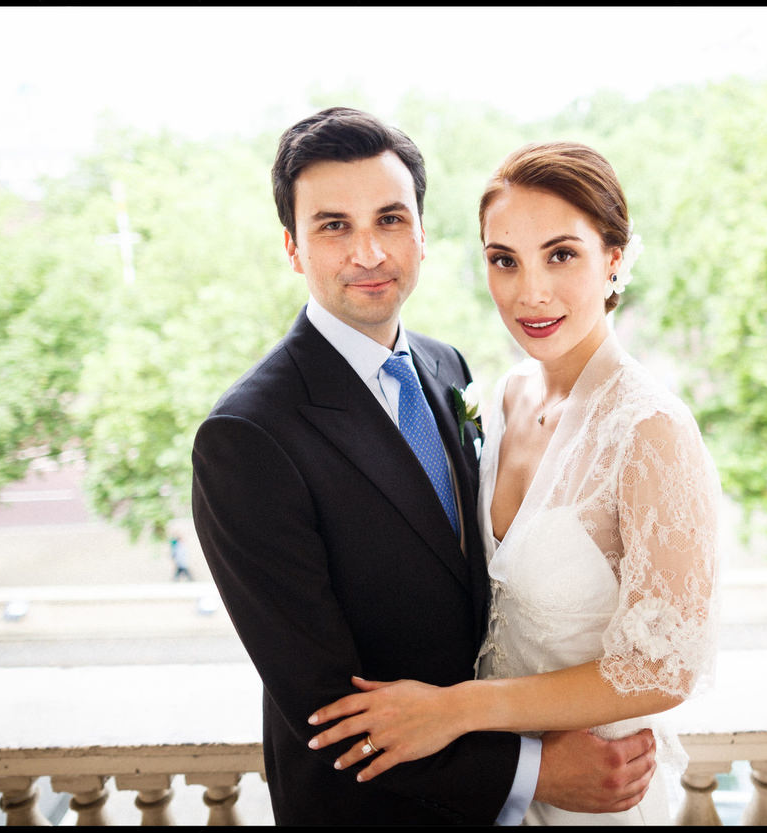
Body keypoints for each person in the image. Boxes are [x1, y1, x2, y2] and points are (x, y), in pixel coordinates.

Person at [191, 110, 659, 826]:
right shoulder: (248, 437)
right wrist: (536, 771)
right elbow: (326, 710)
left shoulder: (449, 369)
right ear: (292, 247)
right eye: (334, 226)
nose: (369, 251)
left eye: (389, 218)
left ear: (422, 233)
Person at [305, 141, 722, 824]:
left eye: (561, 254)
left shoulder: (651, 430)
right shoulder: (503, 396)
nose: (530, 292)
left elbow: (663, 668)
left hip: (597, 788)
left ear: (614, 257)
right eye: (505, 260)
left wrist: (455, 709)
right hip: (497, 787)